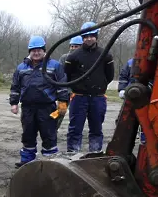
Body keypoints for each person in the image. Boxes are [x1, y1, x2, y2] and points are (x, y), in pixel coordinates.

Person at [10, 36, 69, 168]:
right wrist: (14, 103)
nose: (36, 53)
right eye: (33, 50)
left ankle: (51, 163)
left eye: (39, 50)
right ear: (29, 51)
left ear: (44, 50)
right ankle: (27, 162)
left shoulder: (55, 66)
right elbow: (15, 86)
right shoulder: (21, 67)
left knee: (49, 135)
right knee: (28, 135)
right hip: (27, 108)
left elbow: (62, 85)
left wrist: (63, 102)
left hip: (47, 108)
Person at [64, 22, 115, 153]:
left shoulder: (105, 55)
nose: (88, 39)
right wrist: (78, 87)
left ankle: (95, 153)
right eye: (86, 36)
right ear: (82, 38)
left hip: (98, 97)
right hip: (79, 97)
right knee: (75, 129)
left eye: (91, 36)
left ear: (96, 37)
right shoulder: (73, 56)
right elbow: (67, 75)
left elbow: (109, 76)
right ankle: (73, 154)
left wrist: (99, 86)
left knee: (96, 129)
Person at [56, 36, 82, 130]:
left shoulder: (84, 58)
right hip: (65, 92)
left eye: (76, 46)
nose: (74, 48)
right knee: (59, 111)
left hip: (78, 92)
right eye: (72, 46)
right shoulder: (64, 58)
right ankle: (52, 129)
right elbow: (59, 73)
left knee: (76, 114)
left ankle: (74, 132)